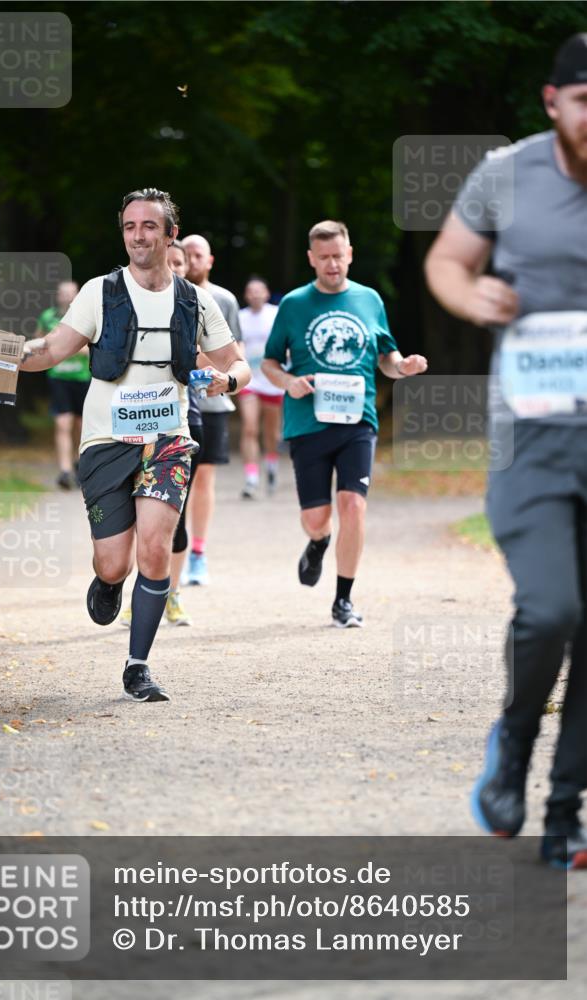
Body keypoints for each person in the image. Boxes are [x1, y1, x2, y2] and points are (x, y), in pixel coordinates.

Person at [0, 189, 249, 703]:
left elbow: (238, 363)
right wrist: (1, 352)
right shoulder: (100, 292)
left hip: (169, 438)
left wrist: (225, 382)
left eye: (148, 226)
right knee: (114, 562)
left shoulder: (194, 299)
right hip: (106, 439)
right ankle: (109, 582)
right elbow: (50, 350)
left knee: (156, 547)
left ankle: (138, 665)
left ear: (169, 234)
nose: (138, 235)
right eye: (129, 227)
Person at [424, 33, 587, 868]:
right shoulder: (508, 172)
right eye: (585, 100)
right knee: (553, 608)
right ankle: (513, 742)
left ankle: (564, 812)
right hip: (531, 433)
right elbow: (446, 262)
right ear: (551, 101)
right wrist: (472, 294)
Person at [262, 220, 427, 627]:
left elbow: (386, 356)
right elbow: (268, 362)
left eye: (338, 256)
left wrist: (401, 367)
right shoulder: (294, 304)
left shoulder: (369, 300)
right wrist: (288, 382)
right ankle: (318, 541)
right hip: (308, 422)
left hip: (358, 421)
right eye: (324, 258)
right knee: (316, 518)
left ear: (349, 254)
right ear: (311, 260)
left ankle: (343, 600)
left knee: (352, 505)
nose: (332, 264)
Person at [120, 239, 203, 627]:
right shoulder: (129, 300)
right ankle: (140, 592)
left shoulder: (197, 305)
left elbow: (225, 357)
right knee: (139, 515)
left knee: (174, 516)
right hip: (132, 426)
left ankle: (173, 593)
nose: (172, 268)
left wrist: (223, 377)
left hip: (185, 424)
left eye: (178, 262)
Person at [181, 234, 242, 585]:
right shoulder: (166, 296)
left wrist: (228, 375)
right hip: (173, 403)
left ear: (209, 260)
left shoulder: (224, 299)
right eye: (185, 254)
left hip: (213, 403)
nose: (191, 260)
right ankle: (173, 547)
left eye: (197, 254)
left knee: (203, 478)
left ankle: (198, 553)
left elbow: (236, 353)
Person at [35, 281, 88, 489]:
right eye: (63, 294)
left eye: (71, 294)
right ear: (57, 296)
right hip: (59, 378)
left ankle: (78, 461)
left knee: (81, 425)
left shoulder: (85, 316)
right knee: (62, 423)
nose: (67, 297)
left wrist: (65, 349)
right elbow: (39, 341)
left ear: (77, 295)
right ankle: (65, 471)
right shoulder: (48, 317)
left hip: (83, 378)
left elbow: (94, 348)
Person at [237, 277, 284, 499]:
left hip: (272, 380)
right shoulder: (240, 318)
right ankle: (251, 478)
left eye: (259, 291)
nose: (255, 295)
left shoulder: (276, 314)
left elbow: (287, 340)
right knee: (249, 427)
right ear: (246, 295)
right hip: (250, 380)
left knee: (271, 433)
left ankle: (272, 465)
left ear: (266, 294)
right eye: (251, 291)